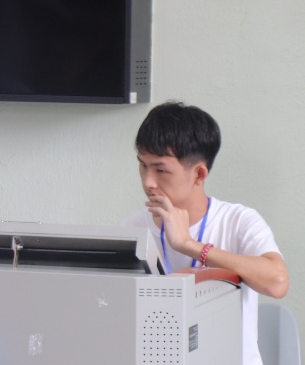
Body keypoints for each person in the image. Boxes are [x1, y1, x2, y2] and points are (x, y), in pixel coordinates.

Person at [121, 101, 289, 365]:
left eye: (161, 170)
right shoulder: (133, 228)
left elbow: (277, 282)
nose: (148, 182)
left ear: (199, 174)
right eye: (143, 165)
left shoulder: (238, 221)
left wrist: (189, 245)